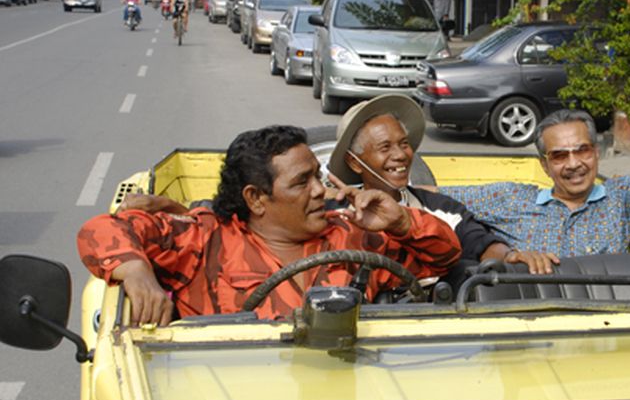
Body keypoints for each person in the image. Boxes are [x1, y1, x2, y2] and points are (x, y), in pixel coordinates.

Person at [77, 126, 461, 326]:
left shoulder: (352, 235)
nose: (320, 190)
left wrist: (402, 221)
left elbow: (444, 259)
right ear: (256, 199)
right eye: (301, 182)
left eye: (317, 176)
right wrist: (136, 272)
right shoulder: (205, 237)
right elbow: (100, 230)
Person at [438, 109, 630, 274]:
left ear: (596, 154)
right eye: (560, 156)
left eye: (582, 151)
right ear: (545, 165)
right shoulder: (513, 199)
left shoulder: (620, 195)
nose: (574, 163)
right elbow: (434, 196)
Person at [327, 94, 560, 274]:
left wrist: (509, 256)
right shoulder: (334, 212)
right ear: (354, 162)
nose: (400, 155)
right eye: (384, 147)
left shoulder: (441, 207)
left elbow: (480, 243)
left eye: (404, 143)